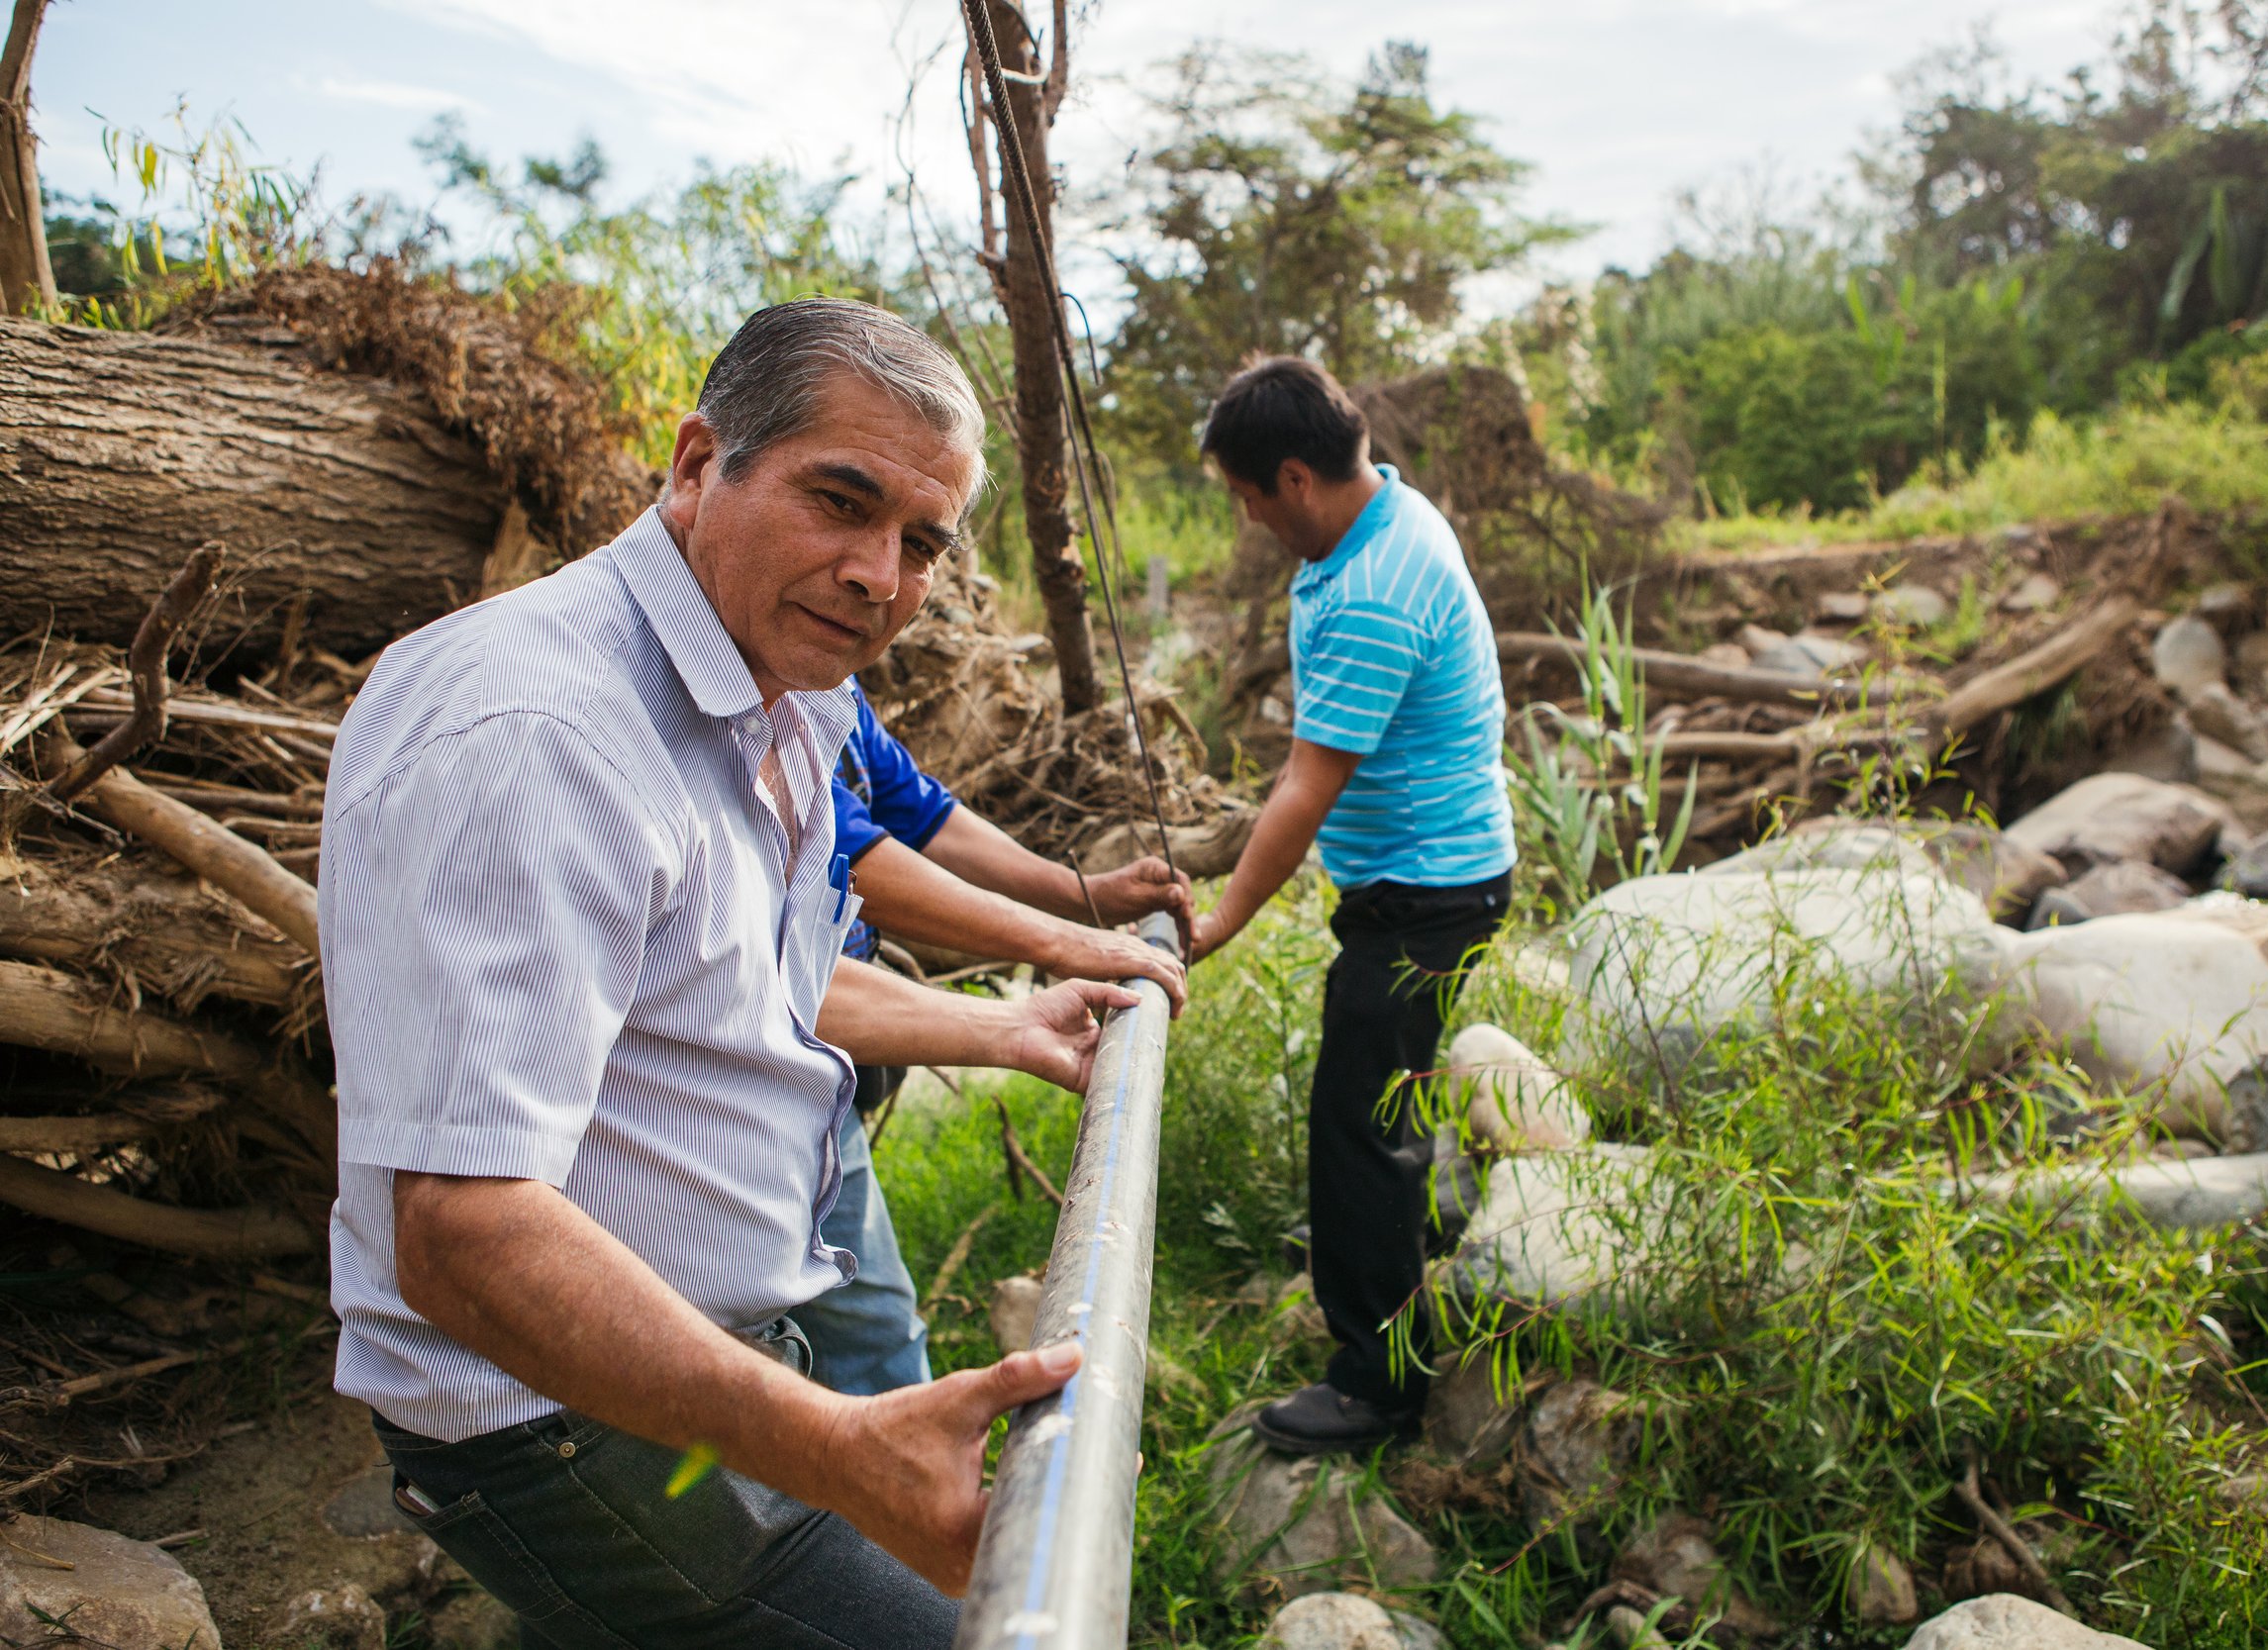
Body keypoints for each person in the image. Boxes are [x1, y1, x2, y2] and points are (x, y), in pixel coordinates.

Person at [321, 297, 1130, 1649]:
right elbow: (462, 1227)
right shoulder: (536, 730)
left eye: (921, 542)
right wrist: (836, 1442)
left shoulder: (788, 687)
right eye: (841, 501)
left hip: (704, 1360)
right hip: (560, 1424)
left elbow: (752, 983)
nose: (881, 573)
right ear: (700, 466)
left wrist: (1006, 1019)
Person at [1185, 355, 1516, 1455]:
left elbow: (1306, 781)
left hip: (1425, 891)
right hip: (1428, 873)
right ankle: (1406, 1243)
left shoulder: (1378, 586)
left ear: (1294, 476)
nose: (1247, 517)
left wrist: (1221, 915)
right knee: (1385, 1094)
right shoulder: (1381, 509)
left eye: (1246, 496)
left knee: (1356, 1120)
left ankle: (1379, 1382)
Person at [792, 682, 1191, 1396]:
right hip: (763, 1081)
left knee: (862, 1328)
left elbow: (919, 812)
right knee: (870, 1341)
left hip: (823, 1067)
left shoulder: (834, 684)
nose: (882, 582)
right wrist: (1067, 940)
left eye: (922, 560)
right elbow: (841, 855)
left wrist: (1080, 893)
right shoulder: (756, 695)